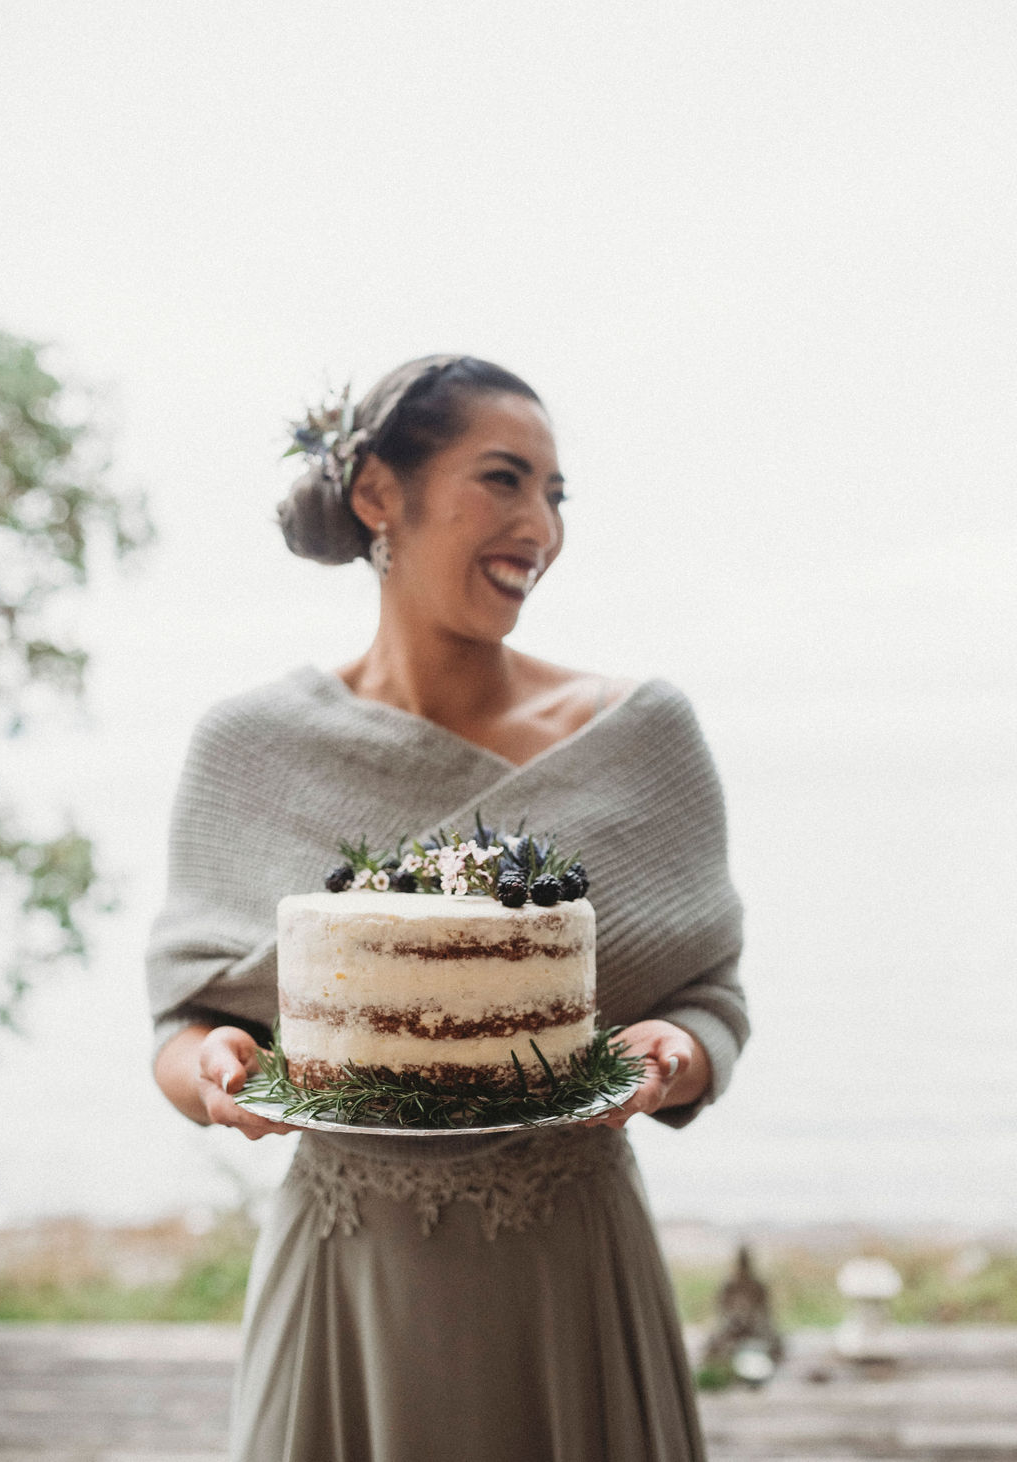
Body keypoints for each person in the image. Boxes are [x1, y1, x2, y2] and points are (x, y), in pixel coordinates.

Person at [148, 354, 748, 1462]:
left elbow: (710, 998)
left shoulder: (644, 737)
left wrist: (682, 1049)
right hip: (350, 1269)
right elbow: (183, 1027)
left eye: (555, 494)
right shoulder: (248, 748)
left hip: (568, 1262)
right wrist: (214, 1071)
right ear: (379, 493)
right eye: (505, 479)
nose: (541, 527)